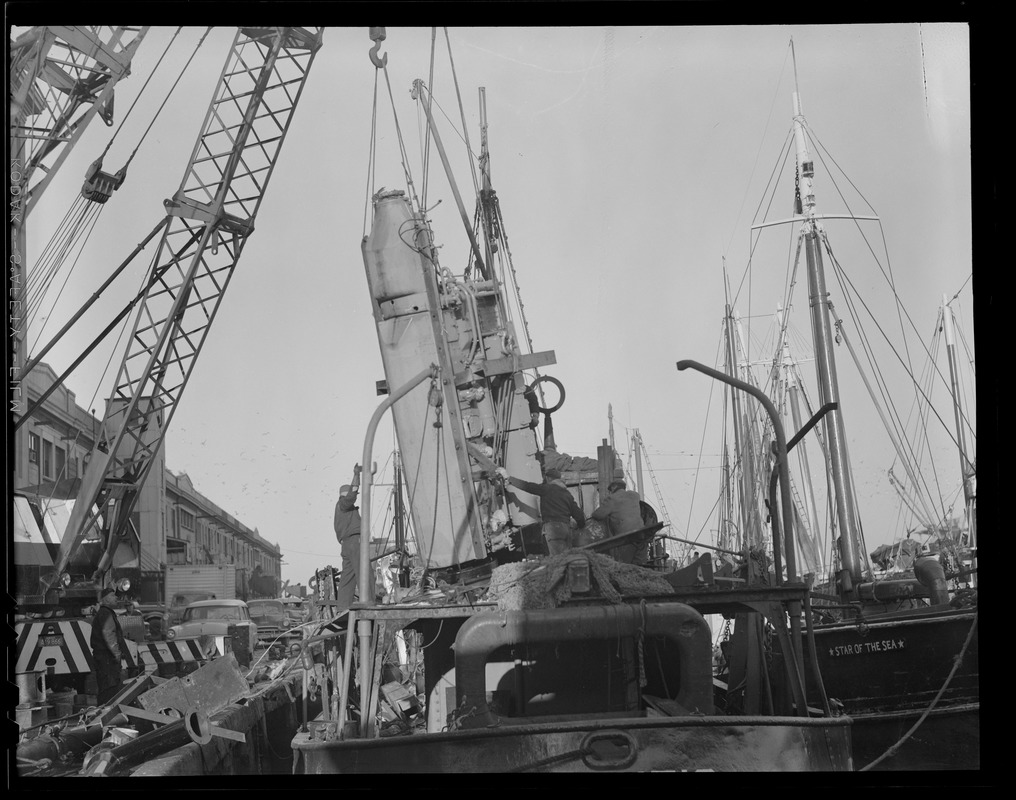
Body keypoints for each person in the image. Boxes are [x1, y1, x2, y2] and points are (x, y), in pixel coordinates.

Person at [497, 466, 585, 556]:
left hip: (553, 529)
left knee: (556, 561)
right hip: (566, 529)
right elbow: (578, 515)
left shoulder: (546, 489)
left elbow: (527, 486)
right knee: (567, 558)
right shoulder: (567, 494)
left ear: (548, 478)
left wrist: (508, 478)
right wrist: (581, 525)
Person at [333, 475, 375, 617]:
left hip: (345, 545)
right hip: (354, 542)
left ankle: (343, 606)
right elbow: (350, 497)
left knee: (348, 576)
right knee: (364, 572)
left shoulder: (340, 509)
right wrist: (356, 478)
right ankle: (369, 602)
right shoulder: (344, 504)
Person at [591, 479, 647, 564]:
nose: (610, 493)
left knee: (624, 566)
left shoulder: (612, 499)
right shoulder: (635, 495)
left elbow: (598, 515)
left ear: (613, 488)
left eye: (610, 490)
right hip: (642, 534)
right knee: (641, 566)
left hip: (626, 538)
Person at [90, 587, 127, 704]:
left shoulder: (105, 613)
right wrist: (116, 654)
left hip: (104, 657)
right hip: (107, 658)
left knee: (107, 686)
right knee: (108, 688)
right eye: (112, 596)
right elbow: (109, 635)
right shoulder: (105, 614)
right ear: (105, 599)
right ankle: (105, 714)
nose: (115, 597)